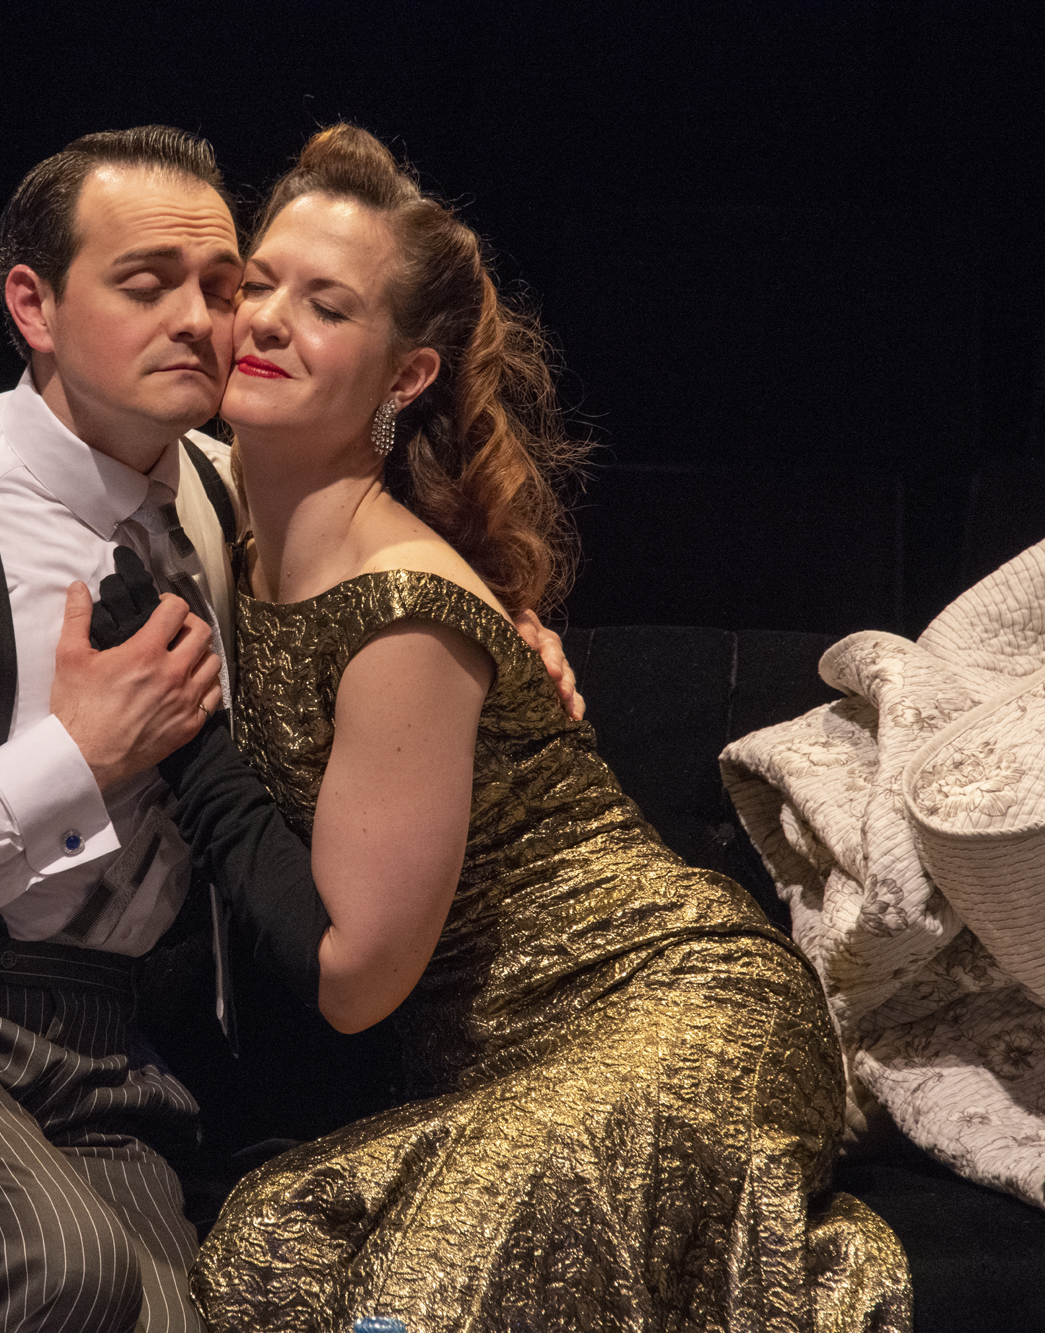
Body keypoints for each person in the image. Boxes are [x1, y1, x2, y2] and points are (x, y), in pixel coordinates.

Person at [0, 124, 581, 1333]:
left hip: (94, 1043)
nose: (204, 322)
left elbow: (383, 554)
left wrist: (501, 633)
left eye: (222, 285)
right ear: (33, 306)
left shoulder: (216, 487)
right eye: (145, 285)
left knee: (190, 1307)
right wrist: (73, 759)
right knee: (62, 1279)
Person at [128, 125, 916, 1332]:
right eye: (258, 285)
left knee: (427, 1285)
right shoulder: (214, 505)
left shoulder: (401, 609)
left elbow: (351, 983)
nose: (267, 321)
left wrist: (192, 752)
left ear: (405, 377)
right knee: (267, 1259)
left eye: (325, 305)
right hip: (500, 1070)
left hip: (672, 1005)